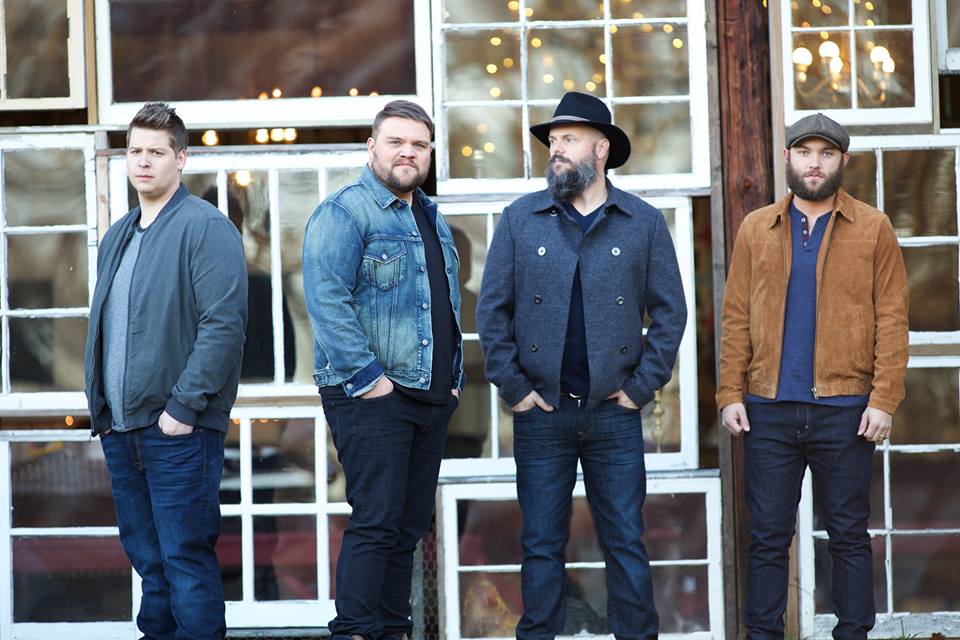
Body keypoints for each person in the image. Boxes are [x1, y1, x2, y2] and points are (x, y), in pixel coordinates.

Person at [477, 91, 687, 640]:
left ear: (601, 148)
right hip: (541, 413)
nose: (556, 150)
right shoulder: (520, 219)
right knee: (541, 545)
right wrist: (514, 388)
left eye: (568, 139)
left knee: (625, 541)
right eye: (553, 141)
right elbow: (491, 312)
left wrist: (641, 388)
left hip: (614, 414)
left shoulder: (642, 222)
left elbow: (671, 312)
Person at [716, 112, 909, 639]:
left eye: (826, 153)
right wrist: (730, 391)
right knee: (766, 536)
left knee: (848, 534)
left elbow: (893, 318)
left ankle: (853, 634)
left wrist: (884, 398)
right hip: (768, 410)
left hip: (845, 410)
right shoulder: (756, 228)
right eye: (804, 153)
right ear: (788, 158)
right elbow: (736, 316)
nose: (814, 163)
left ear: (843, 160)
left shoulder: (873, 227)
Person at [84, 102, 248, 640]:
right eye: (135, 151)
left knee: (184, 561)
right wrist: (103, 412)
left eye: (156, 152)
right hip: (122, 429)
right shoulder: (119, 235)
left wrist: (183, 409)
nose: (143, 162)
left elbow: (223, 326)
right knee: (150, 566)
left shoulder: (206, 227)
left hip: (178, 430)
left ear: (181, 159)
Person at [302, 100, 463, 640]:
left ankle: (393, 630)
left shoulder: (430, 215)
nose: (407, 153)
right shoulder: (346, 211)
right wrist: (370, 379)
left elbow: (440, 302)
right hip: (372, 393)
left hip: (429, 396)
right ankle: (352, 630)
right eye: (396, 142)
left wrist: (451, 382)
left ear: (430, 153)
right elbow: (327, 299)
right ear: (372, 147)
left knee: (407, 528)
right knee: (375, 521)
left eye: (418, 144)